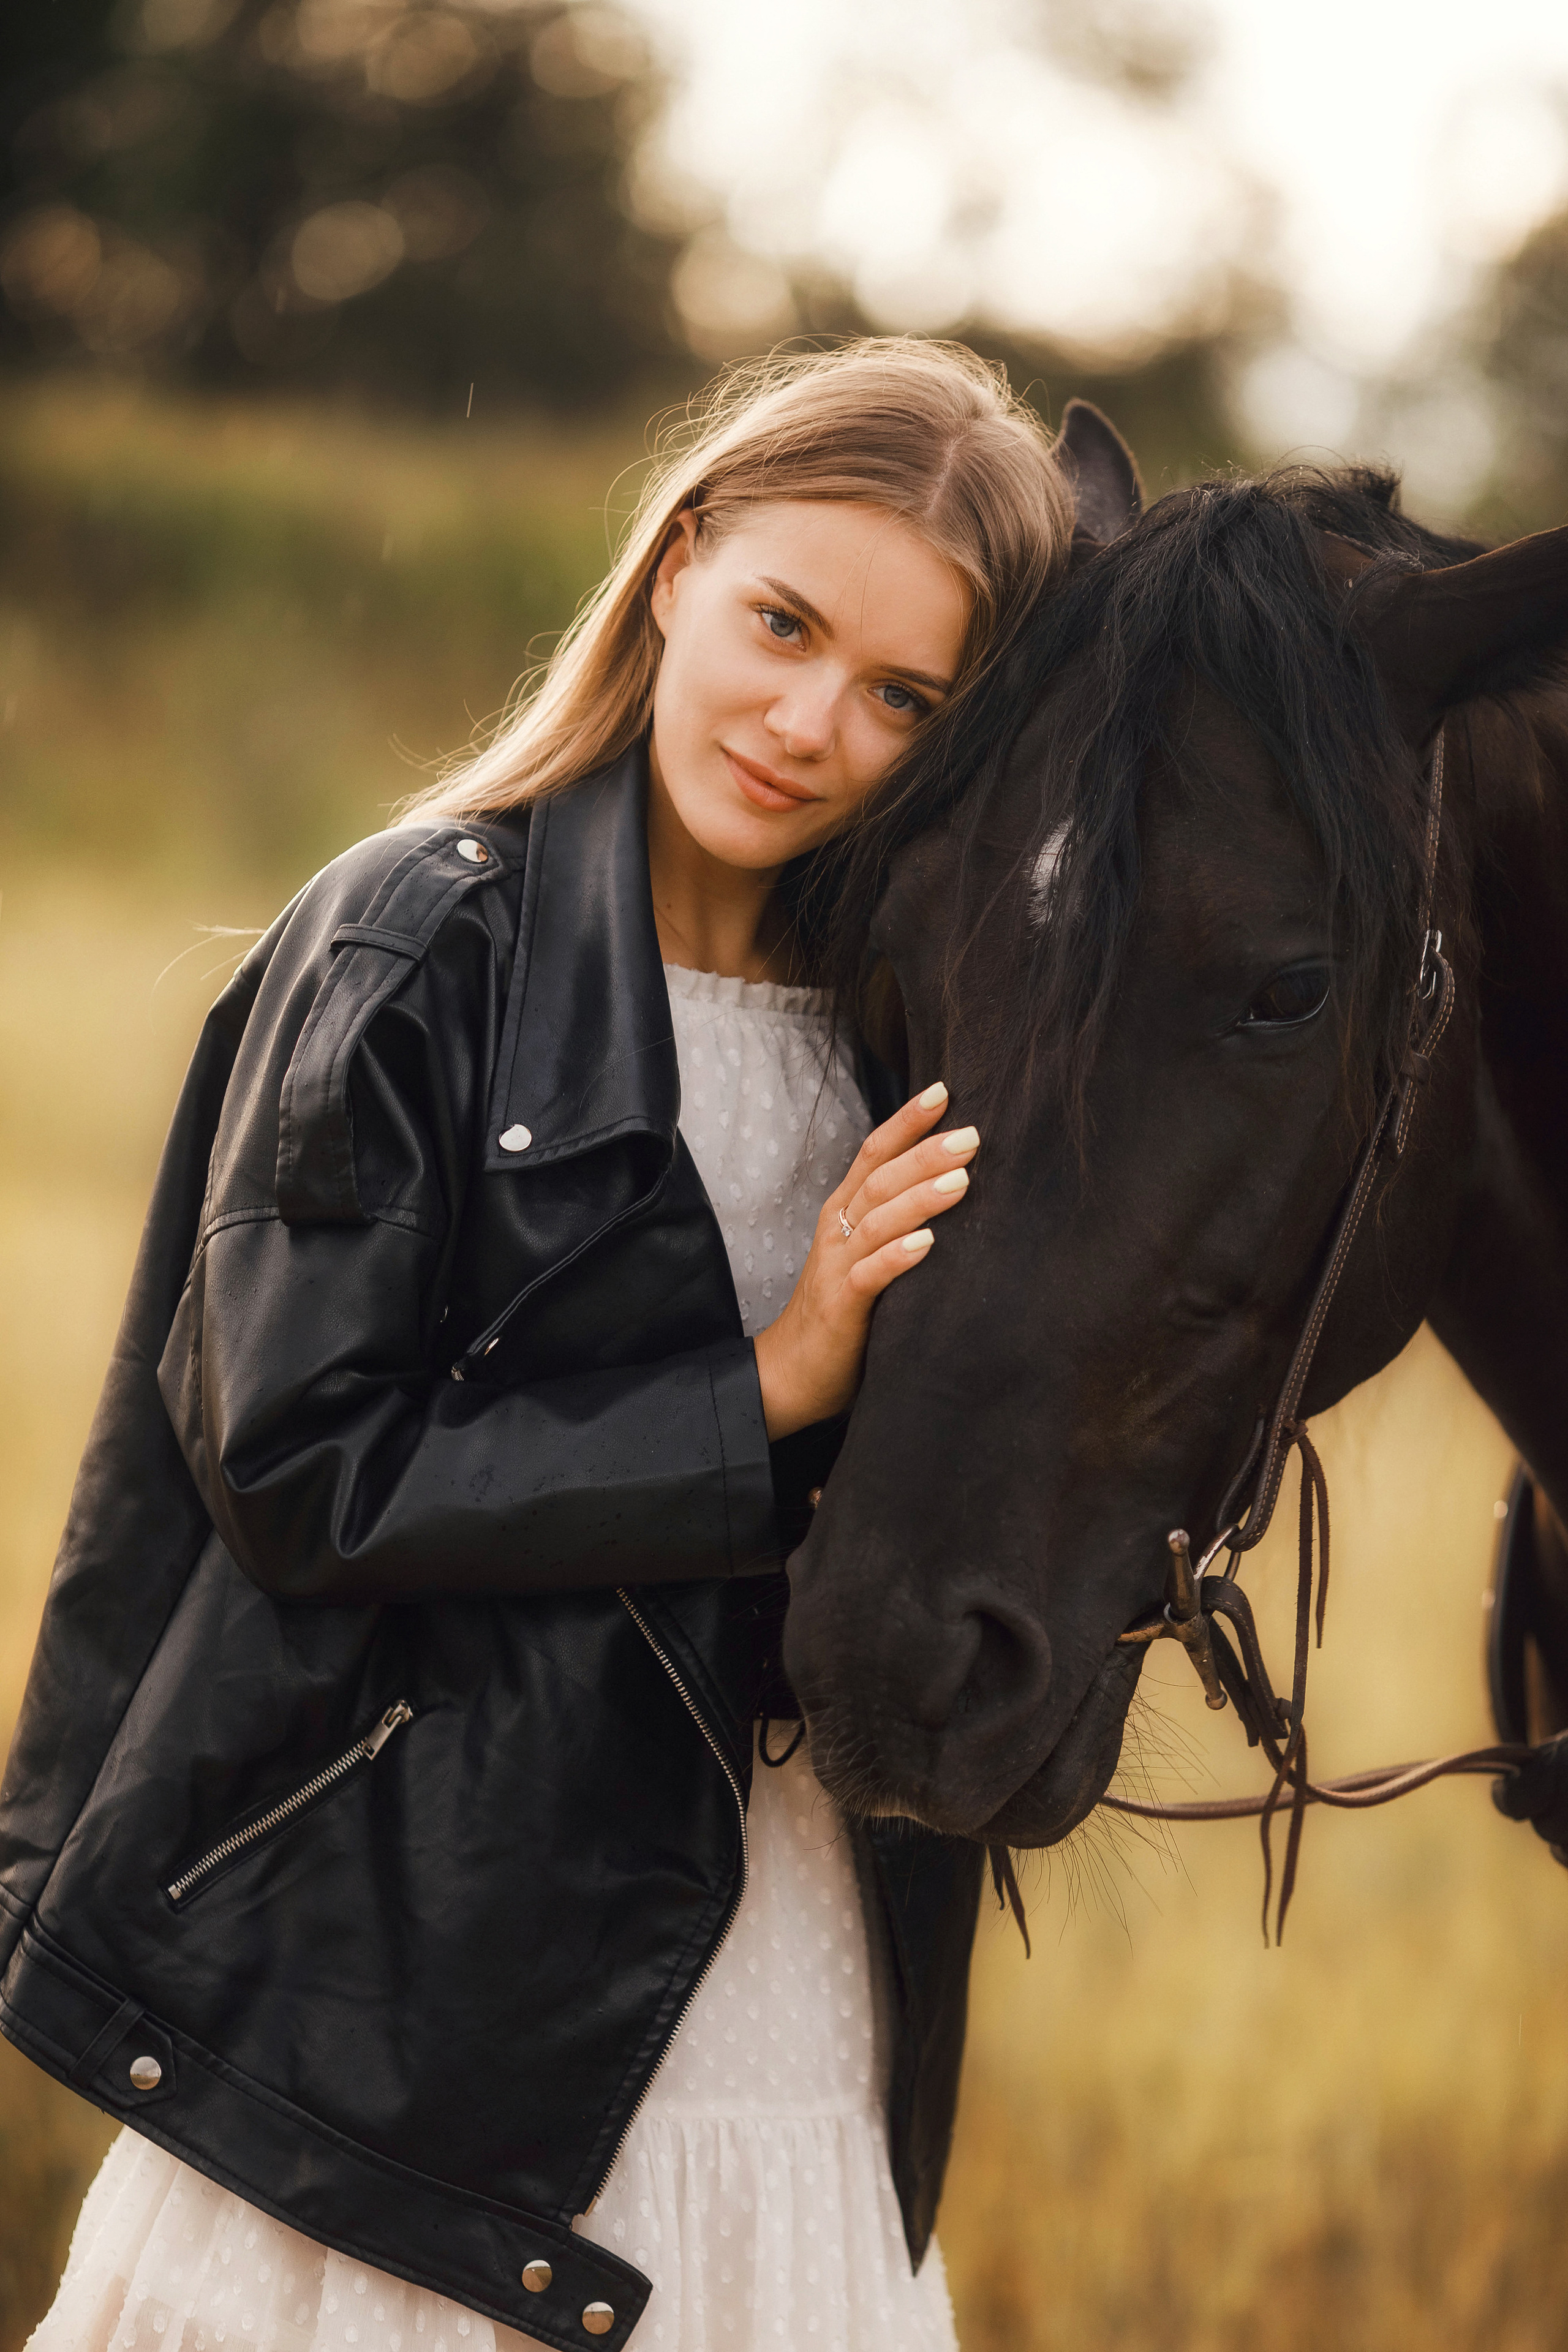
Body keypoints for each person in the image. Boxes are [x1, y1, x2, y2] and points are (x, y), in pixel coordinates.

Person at [4, 339, 1074, 2352]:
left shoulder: (914, 1032)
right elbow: (304, 1467)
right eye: (782, 622)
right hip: (409, 1988)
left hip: (799, 1967)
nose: (807, 721)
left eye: (902, 695)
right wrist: (767, 1387)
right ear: (676, 566)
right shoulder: (416, 941)